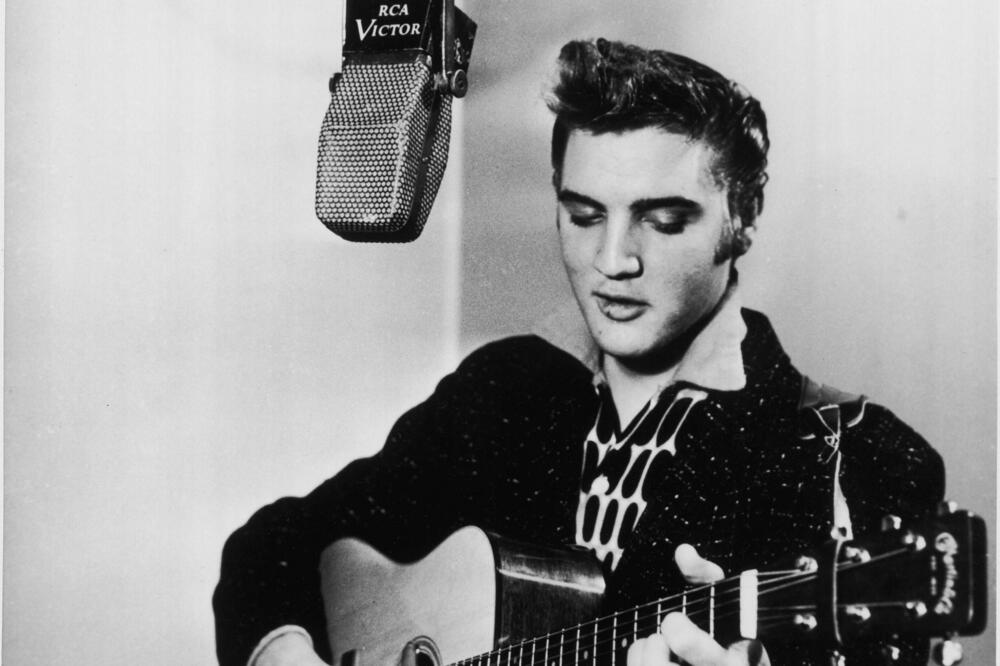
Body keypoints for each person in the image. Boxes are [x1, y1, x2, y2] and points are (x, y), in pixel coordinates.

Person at [213, 39, 944, 666]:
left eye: (663, 221)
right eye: (584, 215)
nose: (613, 261)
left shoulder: (861, 459)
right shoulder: (501, 389)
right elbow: (270, 550)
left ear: (743, 217)